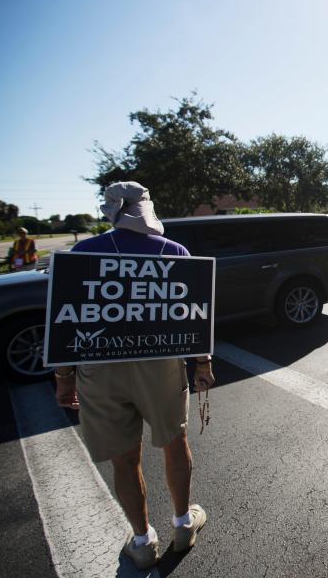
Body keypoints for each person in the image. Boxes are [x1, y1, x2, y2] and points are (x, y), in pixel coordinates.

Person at [54, 181, 215, 570]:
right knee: (174, 443)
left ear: (111, 211)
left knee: (124, 459)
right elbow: (189, 313)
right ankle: (181, 524)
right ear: (147, 208)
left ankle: (142, 542)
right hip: (160, 366)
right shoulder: (173, 251)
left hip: (100, 368)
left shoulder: (85, 251)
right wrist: (203, 364)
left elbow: (68, 319)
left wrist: (64, 378)